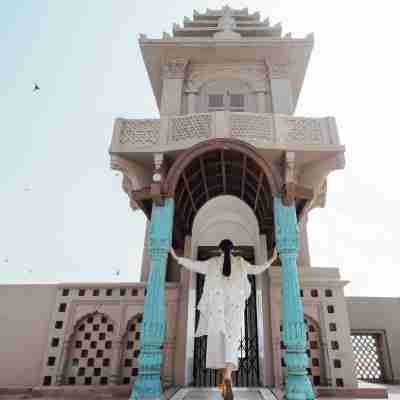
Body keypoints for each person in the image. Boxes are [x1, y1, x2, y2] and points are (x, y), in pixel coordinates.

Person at [170, 239, 278, 400]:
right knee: (231, 345)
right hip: (234, 310)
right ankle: (227, 379)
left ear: (219, 249)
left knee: (219, 347)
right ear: (233, 249)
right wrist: (271, 260)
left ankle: (225, 380)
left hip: (217, 311)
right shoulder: (240, 263)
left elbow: (193, 264)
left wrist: (176, 257)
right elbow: (257, 269)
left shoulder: (212, 262)